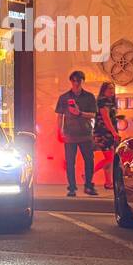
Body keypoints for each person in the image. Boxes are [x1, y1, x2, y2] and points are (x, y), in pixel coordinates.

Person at [55, 69, 98, 197]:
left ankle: (88, 185)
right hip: (70, 134)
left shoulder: (89, 96)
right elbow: (59, 116)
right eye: (74, 80)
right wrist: (59, 131)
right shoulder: (64, 97)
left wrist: (80, 113)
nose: (76, 83)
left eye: (78, 80)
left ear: (82, 81)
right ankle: (72, 187)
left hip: (85, 133)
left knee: (89, 161)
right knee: (70, 162)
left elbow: (93, 114)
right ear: (71, 81)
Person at [93, 80, 120, 189]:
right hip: (103, 132)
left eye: (113, 88)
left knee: (111, 158)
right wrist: (114, 132)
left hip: (109, 132)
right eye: (109, 88)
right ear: (103, 90)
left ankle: (108, 182)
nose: (111, 91)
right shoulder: (102, 101)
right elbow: (106, 118)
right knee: (109, 158)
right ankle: (88, 174)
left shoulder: (111, 101)